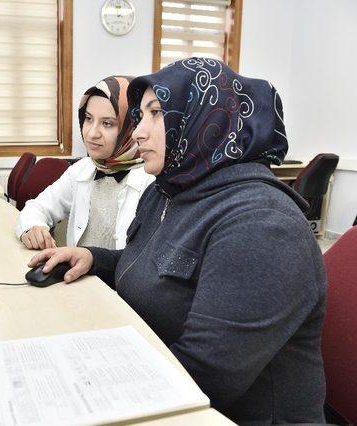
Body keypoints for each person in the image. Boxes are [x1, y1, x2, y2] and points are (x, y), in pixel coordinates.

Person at [28, 58, 326, 424]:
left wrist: (79, 378)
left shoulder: (263, 225)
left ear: (205, 120)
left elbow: (202, 378)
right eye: (140, 116)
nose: (138, 132)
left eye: (157, 114)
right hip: (161, 380)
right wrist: (93, 257)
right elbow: (149, 266)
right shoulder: (169, 190)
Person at [16, 76, 155, 250]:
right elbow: (37, 207)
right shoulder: (83, 169)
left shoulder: (152, 181)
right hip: (78, 275)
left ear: (132, 126)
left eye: (107, 123)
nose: (91, 133)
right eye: (88, 119)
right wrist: (33, 227)